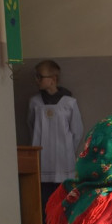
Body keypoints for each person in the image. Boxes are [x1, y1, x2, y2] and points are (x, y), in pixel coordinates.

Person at [27, 59, 84, 214]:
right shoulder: (35, 102)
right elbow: (31, 126)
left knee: (63, 200)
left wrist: (67, 150)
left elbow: (77, 131)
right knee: (44, 201)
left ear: (53, 79)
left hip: (63, 159)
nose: (36, 80)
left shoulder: (69, 103)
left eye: (40, 76)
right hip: (42, 158)